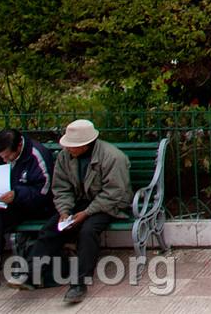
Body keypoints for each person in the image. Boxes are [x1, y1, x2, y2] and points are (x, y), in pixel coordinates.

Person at [49, 119, 131, 305]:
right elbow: (61, 188)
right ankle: (32, 272)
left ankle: (79, 284)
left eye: (73, 146)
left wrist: (87, 213)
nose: (69, 149)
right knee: (51, 228)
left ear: (86, 145)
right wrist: (64, 211)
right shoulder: (65, 156)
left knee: (88, 231)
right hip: (81, 201)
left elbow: (114, 193)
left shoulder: (112, 157)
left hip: (108, 204)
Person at [0, 127, 54, 299]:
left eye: (8, 156)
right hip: (2, 204)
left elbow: (44, 192)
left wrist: (17, 194)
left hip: (32, 206)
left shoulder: (36, 155)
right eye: (2, 157)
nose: (5, 160)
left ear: (19, 145)